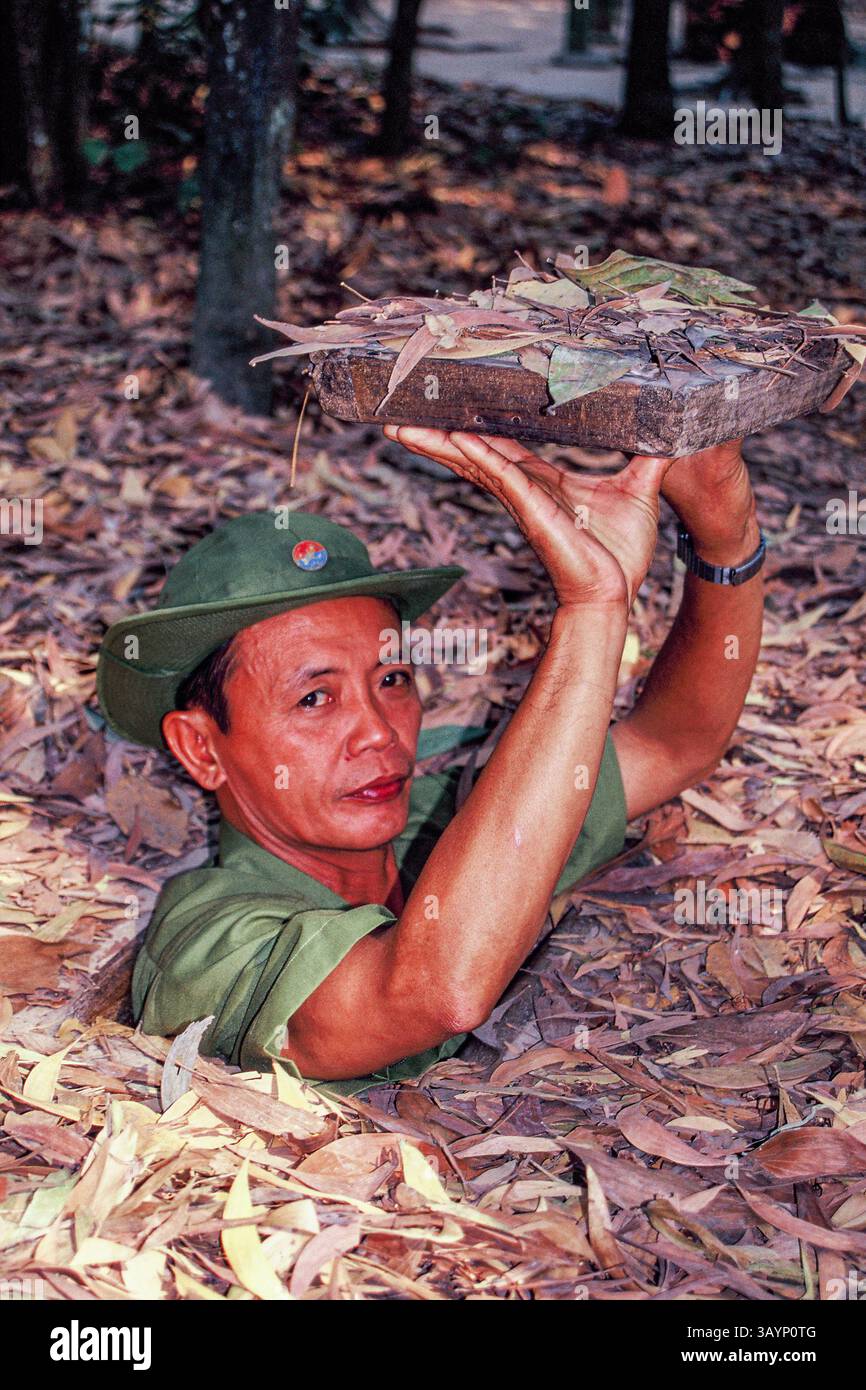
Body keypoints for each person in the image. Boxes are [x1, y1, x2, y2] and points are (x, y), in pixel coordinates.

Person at [96, 428, 764, 1095]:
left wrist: (724, 537)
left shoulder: (438, 821)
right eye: (314, 698)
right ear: (200, 747)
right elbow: (435, 990)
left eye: (391, 680)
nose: (376, 733)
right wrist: (592, 611)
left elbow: (676, 743)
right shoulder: (206, 939)